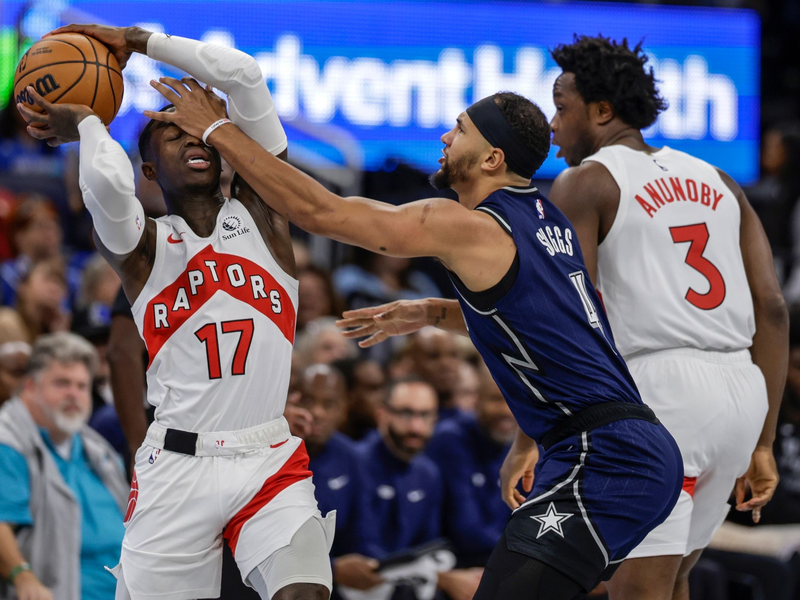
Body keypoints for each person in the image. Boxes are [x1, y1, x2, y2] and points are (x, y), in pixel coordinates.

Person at [130, 62, 683, 598]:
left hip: (604, 454)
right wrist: (431, 313)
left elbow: (321, 212)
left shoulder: (468, 225)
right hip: (620, 444)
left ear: (491, 158)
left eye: (460, 129)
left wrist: (217, 129)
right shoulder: (546, 219)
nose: (445, 136)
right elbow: (547, 324)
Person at [20, 23, 333, 600]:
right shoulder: (142, 250)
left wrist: (140, 41)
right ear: (148, 170)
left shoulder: (266, 213)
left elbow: (245, 77)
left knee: (306, 592)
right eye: (171, 133)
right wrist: (88, 124)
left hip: (267, 457)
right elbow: (107, 191)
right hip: (177, 465)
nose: (193, 139)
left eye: (200, 131)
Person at [540, 35, 788, 600]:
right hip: (741, 394)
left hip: (661, 396)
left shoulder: (586, 181)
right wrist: (763, 443)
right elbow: (773, 311)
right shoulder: (721, 181)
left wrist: (533, 437)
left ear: (602, 111)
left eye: (561, 107)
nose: (553, 125)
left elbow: (568, 314)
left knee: (636, 590)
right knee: (674, 580)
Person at [0, 332, 128, 600]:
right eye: (62, 383)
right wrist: (23, 576)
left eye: (82, 386)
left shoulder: (99, 449)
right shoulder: (8, 442)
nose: (73, 394)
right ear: (30, 386)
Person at [357, 378, 483, 600]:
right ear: (382, 414)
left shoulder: (428, 473)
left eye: (425, 415)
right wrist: (442, 578)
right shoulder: (357, 464)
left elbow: (429, 548)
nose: (415, 427)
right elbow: (365, 555)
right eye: (406, 414)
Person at [297, 364, 384, 594]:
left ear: (344, 409)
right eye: (307, 401)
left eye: (328, 404)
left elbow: (363, 530)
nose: (317, 412)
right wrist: (333, 569)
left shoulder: (351, 457)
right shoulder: (270, 456)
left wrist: (375, 565)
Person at [426, 364, 515, 567]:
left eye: (514, 399)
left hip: (505, 558)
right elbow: (466, 530)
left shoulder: (527, 446)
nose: (506, 410)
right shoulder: (450, 440)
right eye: (496, 399)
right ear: (476, 400)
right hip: (457, 563)